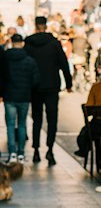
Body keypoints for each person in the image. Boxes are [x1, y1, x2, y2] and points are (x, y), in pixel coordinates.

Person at [24, 16, 72, 165]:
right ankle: (50, 149)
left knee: (36, 119)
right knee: (52, 119)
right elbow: (63, 63)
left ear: (36, 25)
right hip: (51, 86)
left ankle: (36, 150)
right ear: (46, 25)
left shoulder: (29, 44)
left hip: (35, 86)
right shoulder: (54, 43)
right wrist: (69, 83)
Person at [0, 32, 40, 163]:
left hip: (9, 95)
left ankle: (12, 153)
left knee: (10, 125)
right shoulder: (29, 60)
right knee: (22, 125)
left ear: (11, 42)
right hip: (24, 96)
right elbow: (35, 80)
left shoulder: (5, 58)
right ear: (22, 43)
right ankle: (21, 153)